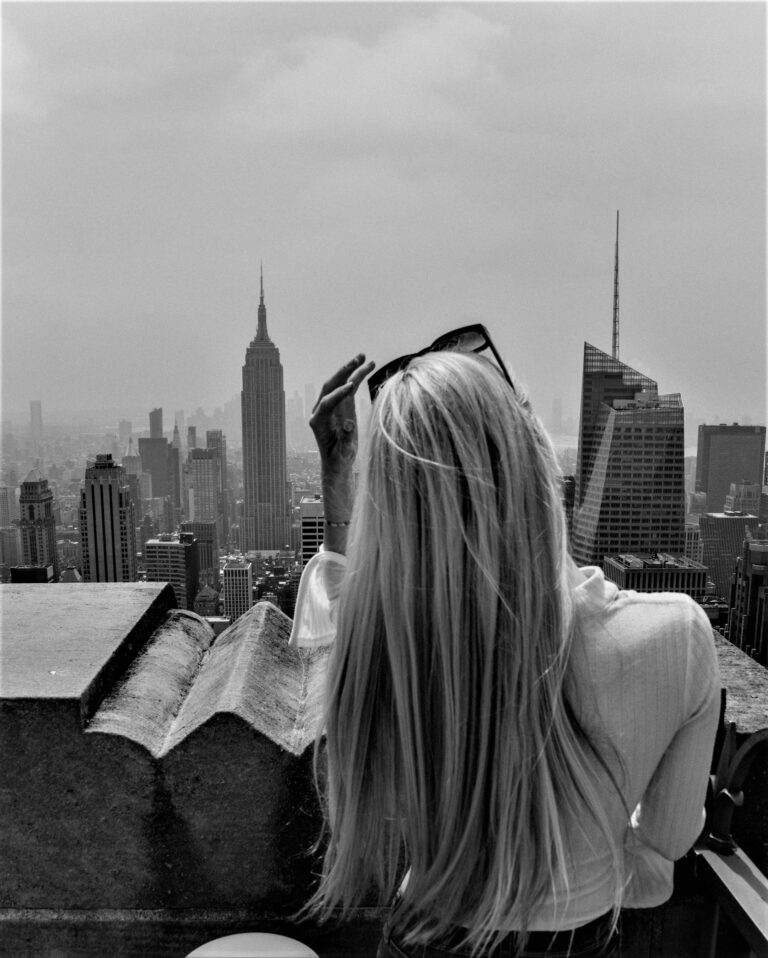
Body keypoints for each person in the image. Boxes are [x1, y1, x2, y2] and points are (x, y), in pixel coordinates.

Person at [289, 333, 720, 958]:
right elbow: (670, 841)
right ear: (532, 456)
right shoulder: (676, 638)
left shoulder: (402, 650)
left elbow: (339, 623)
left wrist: (338, 482)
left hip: (423, 937)